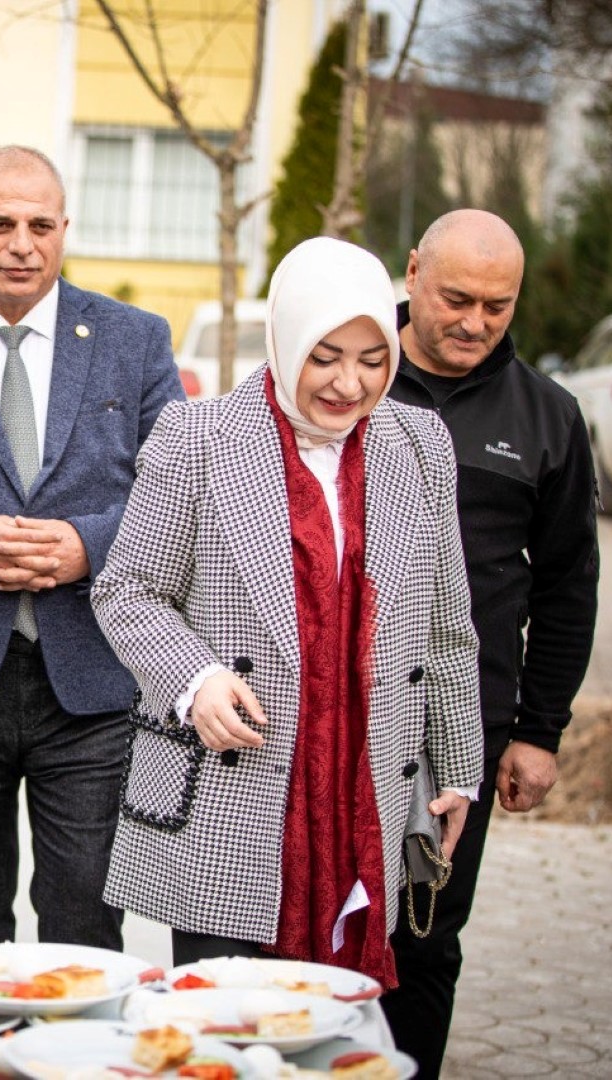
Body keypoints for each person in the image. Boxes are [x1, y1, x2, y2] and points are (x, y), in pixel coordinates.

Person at [91, 237, 484, 984]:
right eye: (324, 355)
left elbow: (446, 626)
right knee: (226, 1030)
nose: (347, 383)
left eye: (372, 361)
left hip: (363, 787)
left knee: (337, 1024)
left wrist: (459, 772)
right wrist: (195, 679)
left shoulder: (420, 443)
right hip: (233, 792)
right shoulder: (197, 437)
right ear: (284, 338)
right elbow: (126, 588)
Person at [0, 146, 180, 953]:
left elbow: (179, 496)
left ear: (64, 230)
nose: (21, 243)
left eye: (39, 225)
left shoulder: (135, 341)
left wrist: (91, 545)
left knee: (86, 920)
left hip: (92, 680)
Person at [382, 209, 599, 1079]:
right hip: (329, 707)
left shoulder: (548, 417)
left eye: (496, 307)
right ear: (411, 274)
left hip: (461, 728)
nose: (473, 323)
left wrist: (539, 732)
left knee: (424, 939)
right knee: (314, 922)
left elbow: (566, 583)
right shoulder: (349, 376)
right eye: (456, 299)